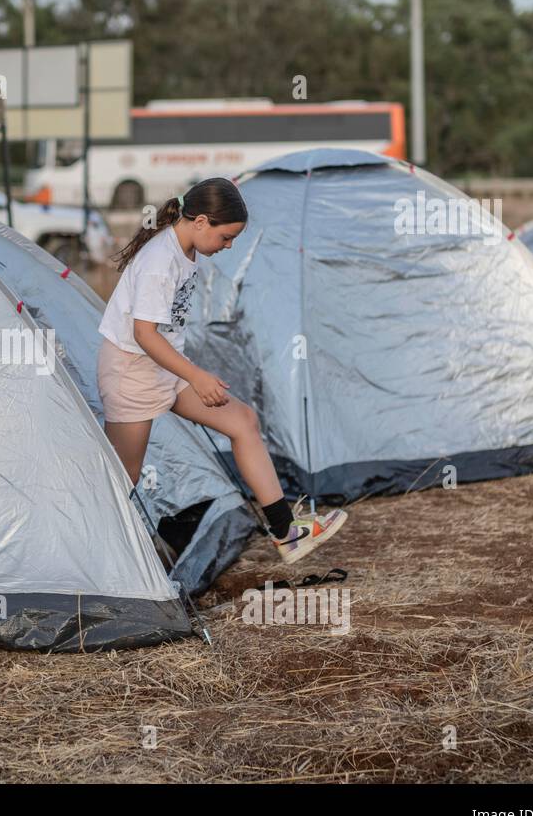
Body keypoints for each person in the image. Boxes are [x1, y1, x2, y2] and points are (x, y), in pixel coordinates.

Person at [96, 177, 347, 564]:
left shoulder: (186, 249)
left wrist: (188, 373)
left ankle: (287, 534)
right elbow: (143, 334)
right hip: (131, 370)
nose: (228, 246)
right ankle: (97, 560)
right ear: (201, 222)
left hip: (166, 367)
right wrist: (196, 375)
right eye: (226, 237)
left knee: (243, 421)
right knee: (121, 478)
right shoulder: (159, 261)